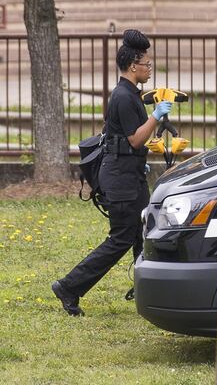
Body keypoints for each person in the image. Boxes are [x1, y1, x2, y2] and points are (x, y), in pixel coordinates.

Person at [52, 29, 172, 316]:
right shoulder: (124, 97)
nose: (149, 68)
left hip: (129, 175)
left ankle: (145, 289)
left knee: (143, 232)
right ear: (133, 65)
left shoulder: (129, 94)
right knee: (121, 238)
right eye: (147, 64)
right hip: (121, 182)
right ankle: (69, 286)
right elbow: (134, 139)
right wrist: (156, 116)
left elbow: (124, 141)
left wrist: (142, 155)